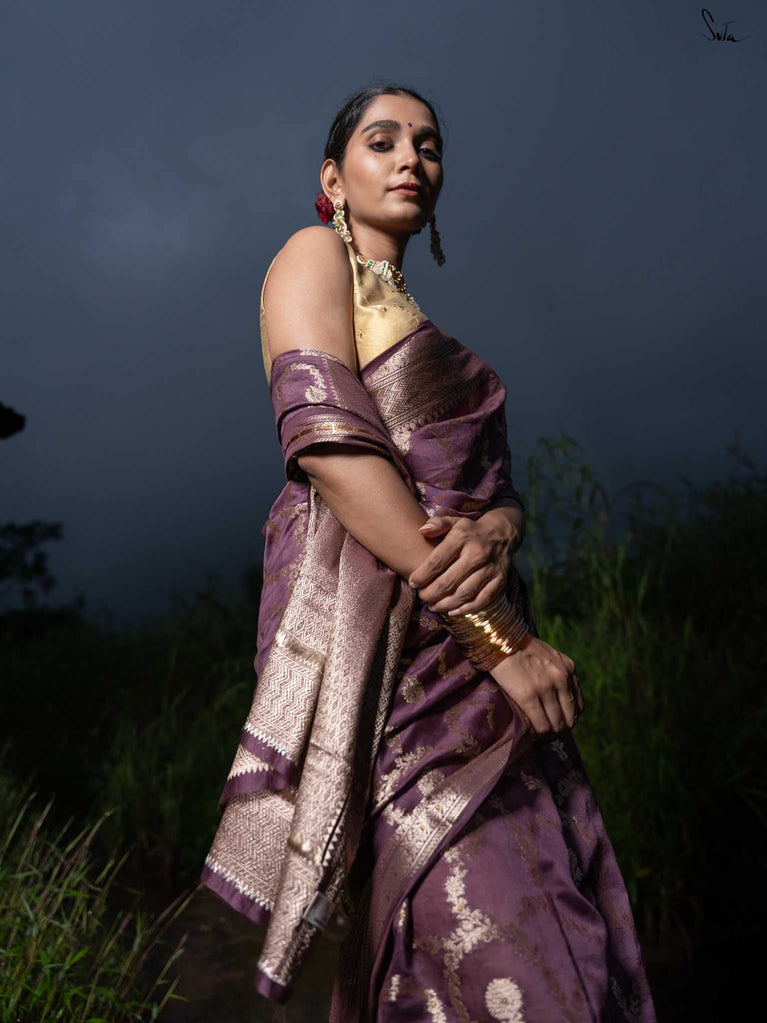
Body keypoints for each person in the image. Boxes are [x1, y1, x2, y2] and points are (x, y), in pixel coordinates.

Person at [201, 83, 657, 1022]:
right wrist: (501, 639)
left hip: (471, 645)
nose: (412, 157)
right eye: (383, 141)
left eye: (429, 144)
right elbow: (329, 448)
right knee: (470, 912)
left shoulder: (411, 315)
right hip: (401, 650)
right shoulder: (313, 255)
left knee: (544, 910)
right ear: (333, 178)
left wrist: (498, 527)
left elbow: (489, 489)